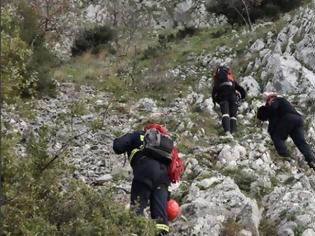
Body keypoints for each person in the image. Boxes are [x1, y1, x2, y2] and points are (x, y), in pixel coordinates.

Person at [113, 123, 177, 236]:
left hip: (145, 171)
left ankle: (137, 231)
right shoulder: (163, 144)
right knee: (160, 220)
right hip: (164, 177)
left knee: (137, 209)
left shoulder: (136, 135)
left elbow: (118, 147)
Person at [257, 92, 315, 170]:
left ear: (270, 98)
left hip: (289, 118)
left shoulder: (276, 100)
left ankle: (285, 157)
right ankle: (311, 160)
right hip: (298, 120)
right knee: (301, 143)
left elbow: (273, 110)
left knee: (277, 137)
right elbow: (274, 120)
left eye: (267, 101)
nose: (267, 104)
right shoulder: (283, 104)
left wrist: (271, 132)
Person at [212, 65, 246, 136]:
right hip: (232, 96)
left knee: (225, 114)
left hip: (223, 97)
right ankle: (233, 132)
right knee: (233, 115)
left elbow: (214, 93)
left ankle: (227, 132)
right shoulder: (231, 80)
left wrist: (215, 101)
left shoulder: (218, 81)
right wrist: (242, 97)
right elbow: (241, 90)